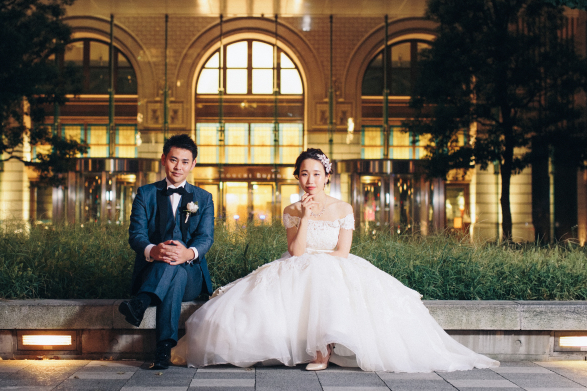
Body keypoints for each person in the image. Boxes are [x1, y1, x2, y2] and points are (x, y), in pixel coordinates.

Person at [172, 148, 499, 373]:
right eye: (303, 174)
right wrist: (308, 217)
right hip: (297, 264)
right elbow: (297, 252)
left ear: (326, 176)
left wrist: (319, 243)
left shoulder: (343, 209)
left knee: (325, 277)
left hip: (335, 265)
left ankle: (324, 349)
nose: (310, 180)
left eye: (316, 173)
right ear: (297, 178)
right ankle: (296, 348)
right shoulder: (291, 211)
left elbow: (342, 252)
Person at [119, 134, 214, 370]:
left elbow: (205, 238)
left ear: (193, 164)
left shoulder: (204, 198)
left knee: (180, 270)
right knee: (174, 272)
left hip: (191, 274)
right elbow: (136, 235)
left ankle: (141, 301)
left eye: (184, 161)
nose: (178, 167)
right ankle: (164, 349)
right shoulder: (145, 193)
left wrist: (189, 253)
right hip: (155, 269)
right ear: (163, 159)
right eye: (173, 160)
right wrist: (154, 250)